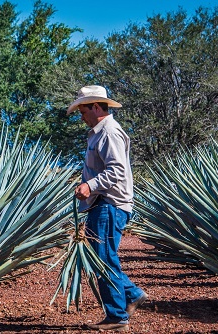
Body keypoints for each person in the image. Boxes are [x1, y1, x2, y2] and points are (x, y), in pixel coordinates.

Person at [67, 85, 147, 331]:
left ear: (95, 107)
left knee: (103, 260)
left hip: (109, 204)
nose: (81, 116)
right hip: (103, 204)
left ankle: (117, 316)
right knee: (103, 258)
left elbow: (117, 170)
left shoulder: (109, 132)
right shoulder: (98, 133)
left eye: (83, 110)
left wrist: (90, 185)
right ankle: (130, 295)